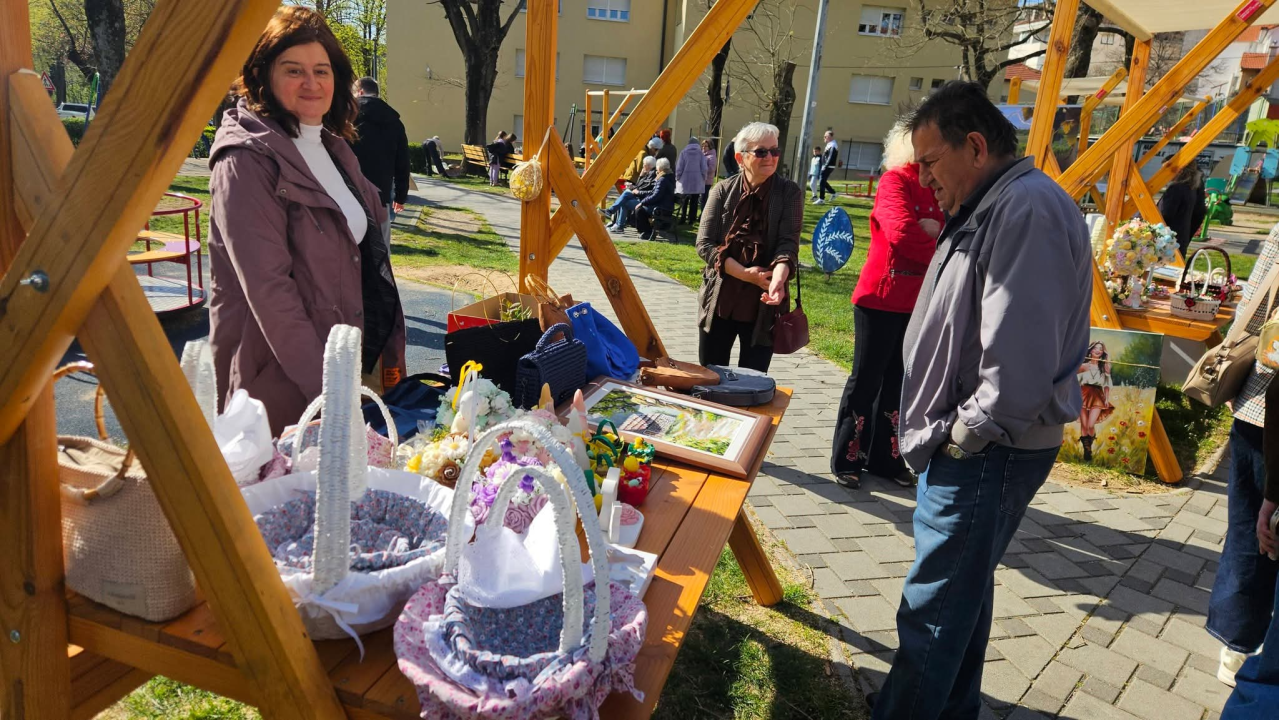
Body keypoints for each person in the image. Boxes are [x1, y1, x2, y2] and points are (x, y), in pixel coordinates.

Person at [871, 82, 1091, 720]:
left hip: (988, 447)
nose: (923, 177)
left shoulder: (1023, 209)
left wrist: (963, 436)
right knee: (960, 598)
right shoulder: (999, 200)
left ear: (975, 145)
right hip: (985, 442)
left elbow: (1015, 362)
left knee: (934, 610)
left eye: (930, 162)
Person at [207, 6, 407, 436]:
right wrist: (332, 397)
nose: (312, 83)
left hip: (349, 369)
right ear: (262, 75)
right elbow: (271, 294)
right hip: (287, 390)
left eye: (322, 70)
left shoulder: (334, 150)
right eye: (294, 70)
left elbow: (367, 257)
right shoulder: (245, 160)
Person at [830, 123, 943, 490]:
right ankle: (847, 456)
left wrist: (936, 232)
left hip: (918, 300)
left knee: (899, 384)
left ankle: (885, 458)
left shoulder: (942, 184)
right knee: (866, 380)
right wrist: (939, 242)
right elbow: (901, 233)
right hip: (880, 297)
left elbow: (958, 230)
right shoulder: (896, 181)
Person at [1208, 224, 1279, 689]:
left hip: (1259, 399)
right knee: (1256, 530)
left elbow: (1252, 307)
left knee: (1247, 531)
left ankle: (1236, 646)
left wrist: (1236, 368)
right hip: (1263, 407)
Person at [695, 122, 802, 373]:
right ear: (740, 157)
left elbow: (789, 243)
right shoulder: (722, 190)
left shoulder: (789, 193)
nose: (770, 158)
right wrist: (744, 275)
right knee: (710, 377)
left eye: (774, 151)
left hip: (762, 305)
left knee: (752, 380)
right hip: (721, 299)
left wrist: (778, 279)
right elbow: (704, 244)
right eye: (761, 152)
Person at [1220, 350, 1279, 716]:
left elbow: (1252, 318)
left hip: (1257, 408)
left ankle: (1238, 647)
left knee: (1250, 538)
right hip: (1259, 413)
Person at [350, 76, 409, 250]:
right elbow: (402, 162)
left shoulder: (345, 118)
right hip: (381, 192)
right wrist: (401, 196)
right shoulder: (394, 122)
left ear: (359, 92)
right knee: (381, 247)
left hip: (349, 188)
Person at [1158, 163, 1208, 259]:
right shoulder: (1190, 188)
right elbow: (1199, 213)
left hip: (1167, 239)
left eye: (1165, 169)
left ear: (1179, 170)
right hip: (1180, 238)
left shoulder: (1176, 189)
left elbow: (1165, 214)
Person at [1076, 341, 1114, 462]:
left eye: (1101, 349)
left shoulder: (1105, 367)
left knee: (1090, 425)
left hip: (1097, 395)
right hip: (1082, 393)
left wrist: (1107, 399)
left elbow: (1107, 385)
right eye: (1095, 348)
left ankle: (1090, 443)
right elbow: (1076, 382)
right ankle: (1087, 450)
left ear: (1103, 352)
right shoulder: (1083, 365)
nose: (1098, 350)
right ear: (1091, 350)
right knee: (1084, 424)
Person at [606, 155, 657, 232]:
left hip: (645, 202)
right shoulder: (648, 174)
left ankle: (615, 219)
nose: (643, 166)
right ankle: (616, 221)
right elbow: (640, 186)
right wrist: (639, 178)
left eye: (644, 164)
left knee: (625, 199)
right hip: (642, 199)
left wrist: (637, 191)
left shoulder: (653, 175)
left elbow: (649, 191)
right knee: (625, 195)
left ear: (648, 166)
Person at [635, 157, 676, 240]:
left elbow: (656, 196)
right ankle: (645, 231)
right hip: (666, 206)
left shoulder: (662, 179)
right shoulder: (669, 176)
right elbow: (654, 193)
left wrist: (642, 202)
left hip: (662, 208)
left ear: (660, 168)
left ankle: (647, 232)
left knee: (639, 210)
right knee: (640, 208)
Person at [676, 135, 707, 225]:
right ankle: (691, 219)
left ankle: (682, 217)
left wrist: (678, 177)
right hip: (697, 181)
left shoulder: (684, 152)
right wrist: (703, 178)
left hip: (685, 180)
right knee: (694, 201)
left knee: (684, 201)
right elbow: (704, 168)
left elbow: (679, 167)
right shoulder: (700, 154)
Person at [815, 129, 838, 204]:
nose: (824, 138)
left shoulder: (833, 145)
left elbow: (830, 156)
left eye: (825, 136)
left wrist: (825, 165)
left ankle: (821, 199)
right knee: (823, 181)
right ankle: (833, 193)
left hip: (828, 166)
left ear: (829, 137)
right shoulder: (830, 144)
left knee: (822, 181)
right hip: (827, 166)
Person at [701, 139, 718, 212]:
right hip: (701, 180)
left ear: (710, 147)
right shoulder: (702, 154)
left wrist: (702, 168)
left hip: (707, 181)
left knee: (704, 199)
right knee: (701, 199)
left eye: (706, 146)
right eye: (703, 146)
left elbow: (711, 169)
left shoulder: (712, 156)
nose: (704, 148)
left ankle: (704, 213)